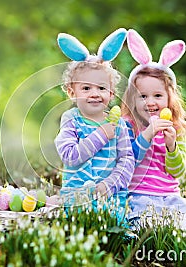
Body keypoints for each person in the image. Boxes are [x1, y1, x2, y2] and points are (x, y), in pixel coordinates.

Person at [54, 28, 135, 221]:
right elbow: (69, 155)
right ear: (71, 92)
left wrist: (109, 185)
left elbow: (126, 161)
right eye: (86, 88)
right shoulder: (70, 119)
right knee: (77, 229)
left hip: (111, 197)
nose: (94, 93)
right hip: (76, 198)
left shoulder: (119, 125)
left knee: (114, 233)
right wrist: (100, 135)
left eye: (101, 88)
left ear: (112, 93)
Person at [121, 29, 186, 230]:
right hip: (138, 195)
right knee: (144, 225)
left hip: (169, 196)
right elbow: (126, 164)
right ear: (132, 99)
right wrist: (146, 134)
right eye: (143, 96)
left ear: (169, 98)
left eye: (157, 96)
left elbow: (177, 171)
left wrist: (171, 147)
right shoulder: (128, 125)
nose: (150, 102)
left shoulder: (176, 128)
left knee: (184, 225)